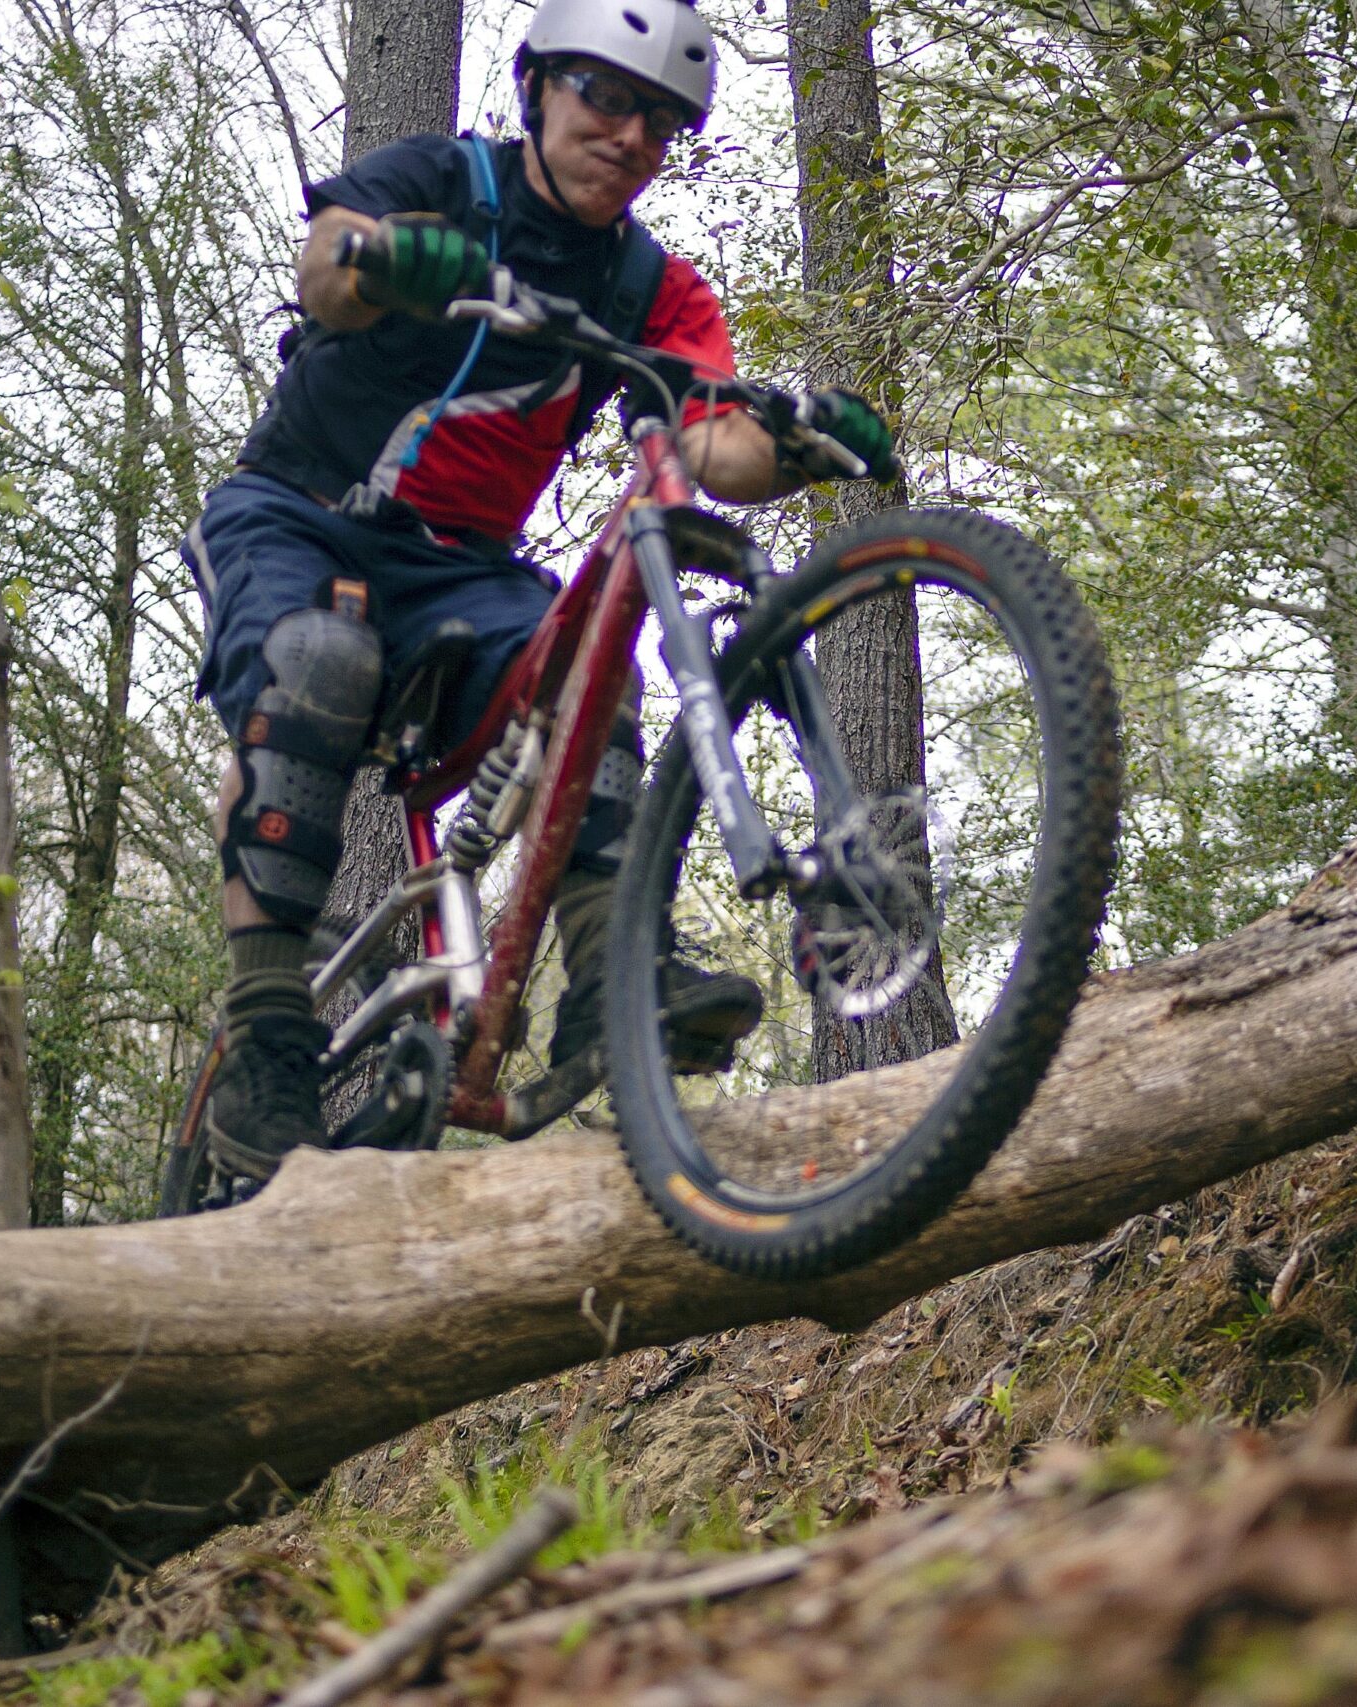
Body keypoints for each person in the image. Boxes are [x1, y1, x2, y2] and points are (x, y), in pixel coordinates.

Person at [186, 0, 896, 1190]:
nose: (628, 135)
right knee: (316, 662)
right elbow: (324, 271)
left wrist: (791, 440)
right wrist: (380, 259)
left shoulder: (646, 286)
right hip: (295, 516)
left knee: (591, 655)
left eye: (661, 122)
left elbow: (707, 439)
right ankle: (266, 1034)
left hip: (463, 571)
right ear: (539, 90)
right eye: (604, 97)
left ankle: (611, 986)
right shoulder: (446, 179)